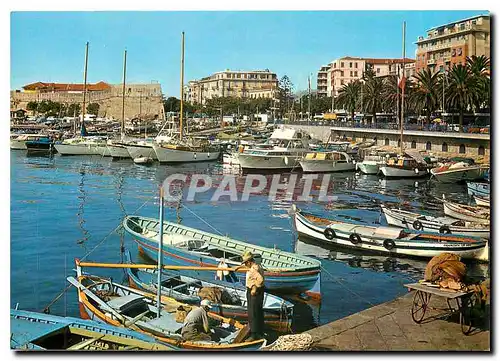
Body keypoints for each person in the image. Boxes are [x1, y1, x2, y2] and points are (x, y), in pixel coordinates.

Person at [235, 250, 265, 341]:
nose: (245, 265)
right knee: (258, 311)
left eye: (245, 263)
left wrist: (254, 288)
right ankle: (260, 332)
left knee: (253, 313)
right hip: (259, 291)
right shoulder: (256, 265)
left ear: (249, 262)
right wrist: (239, 267)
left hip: (254, 292)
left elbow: (260, 279)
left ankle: (254, 334)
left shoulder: (253, 269)